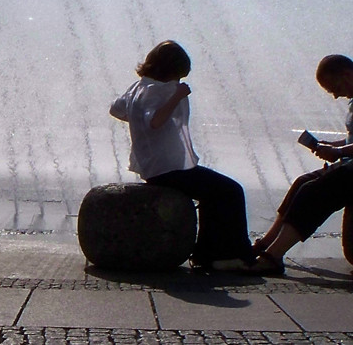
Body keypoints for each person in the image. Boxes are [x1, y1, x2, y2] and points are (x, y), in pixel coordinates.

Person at [248, 55, 353, 275]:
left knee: (313, 192)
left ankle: (273, 257)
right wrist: (333, 146)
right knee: (302, 183)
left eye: (335, 88)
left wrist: (338, 152)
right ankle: (265, 244)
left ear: (346, 74)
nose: (335, 95)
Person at [109, 40, 254, 271]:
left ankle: (208, 254)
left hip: (155, 167)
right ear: (171, 70)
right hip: (169, 170)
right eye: (178, 76)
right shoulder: (159, 91)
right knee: (231, 191)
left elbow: (116, 109)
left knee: (214, 193)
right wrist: (176, 96)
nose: (180, 82)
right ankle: (233, 254)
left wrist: (138, 123)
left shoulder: (137, 88)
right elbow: (155, 121)